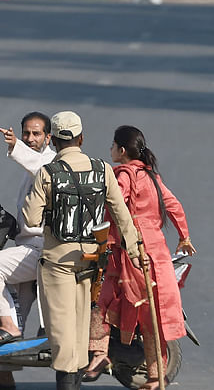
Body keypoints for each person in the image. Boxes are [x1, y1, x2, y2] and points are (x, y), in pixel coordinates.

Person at [22, 111, 141, 390]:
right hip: (91, 262)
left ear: (54, 141)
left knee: (63, 334)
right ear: (81, 138)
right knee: (78, 328)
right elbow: (121, 215)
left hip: (58, 263)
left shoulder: (47, 173)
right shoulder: (102, 170)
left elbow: (30, 220)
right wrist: (135, 250)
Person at [84, 125, 196, 390]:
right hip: (157, 252)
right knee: (151, 314)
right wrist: (184, 237)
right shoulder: (152, 177)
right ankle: (156, 377)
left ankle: (99, 354)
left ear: (121, 150)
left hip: (129, 249)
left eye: (112, 145)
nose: (110, 149)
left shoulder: (122, 175)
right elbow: (174, 206)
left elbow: (116, 205)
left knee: (103, 299)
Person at [0, 112, 56, 390]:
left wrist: (15, 145)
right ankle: (4, 377)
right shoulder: (34, 167)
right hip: (27, 246)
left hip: (40, 249)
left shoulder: (49, 162)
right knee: (14, 309)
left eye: (36, 134)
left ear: (48, 138)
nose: (31, 139)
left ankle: (9, 328)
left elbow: (37, 165)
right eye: (27, 134)